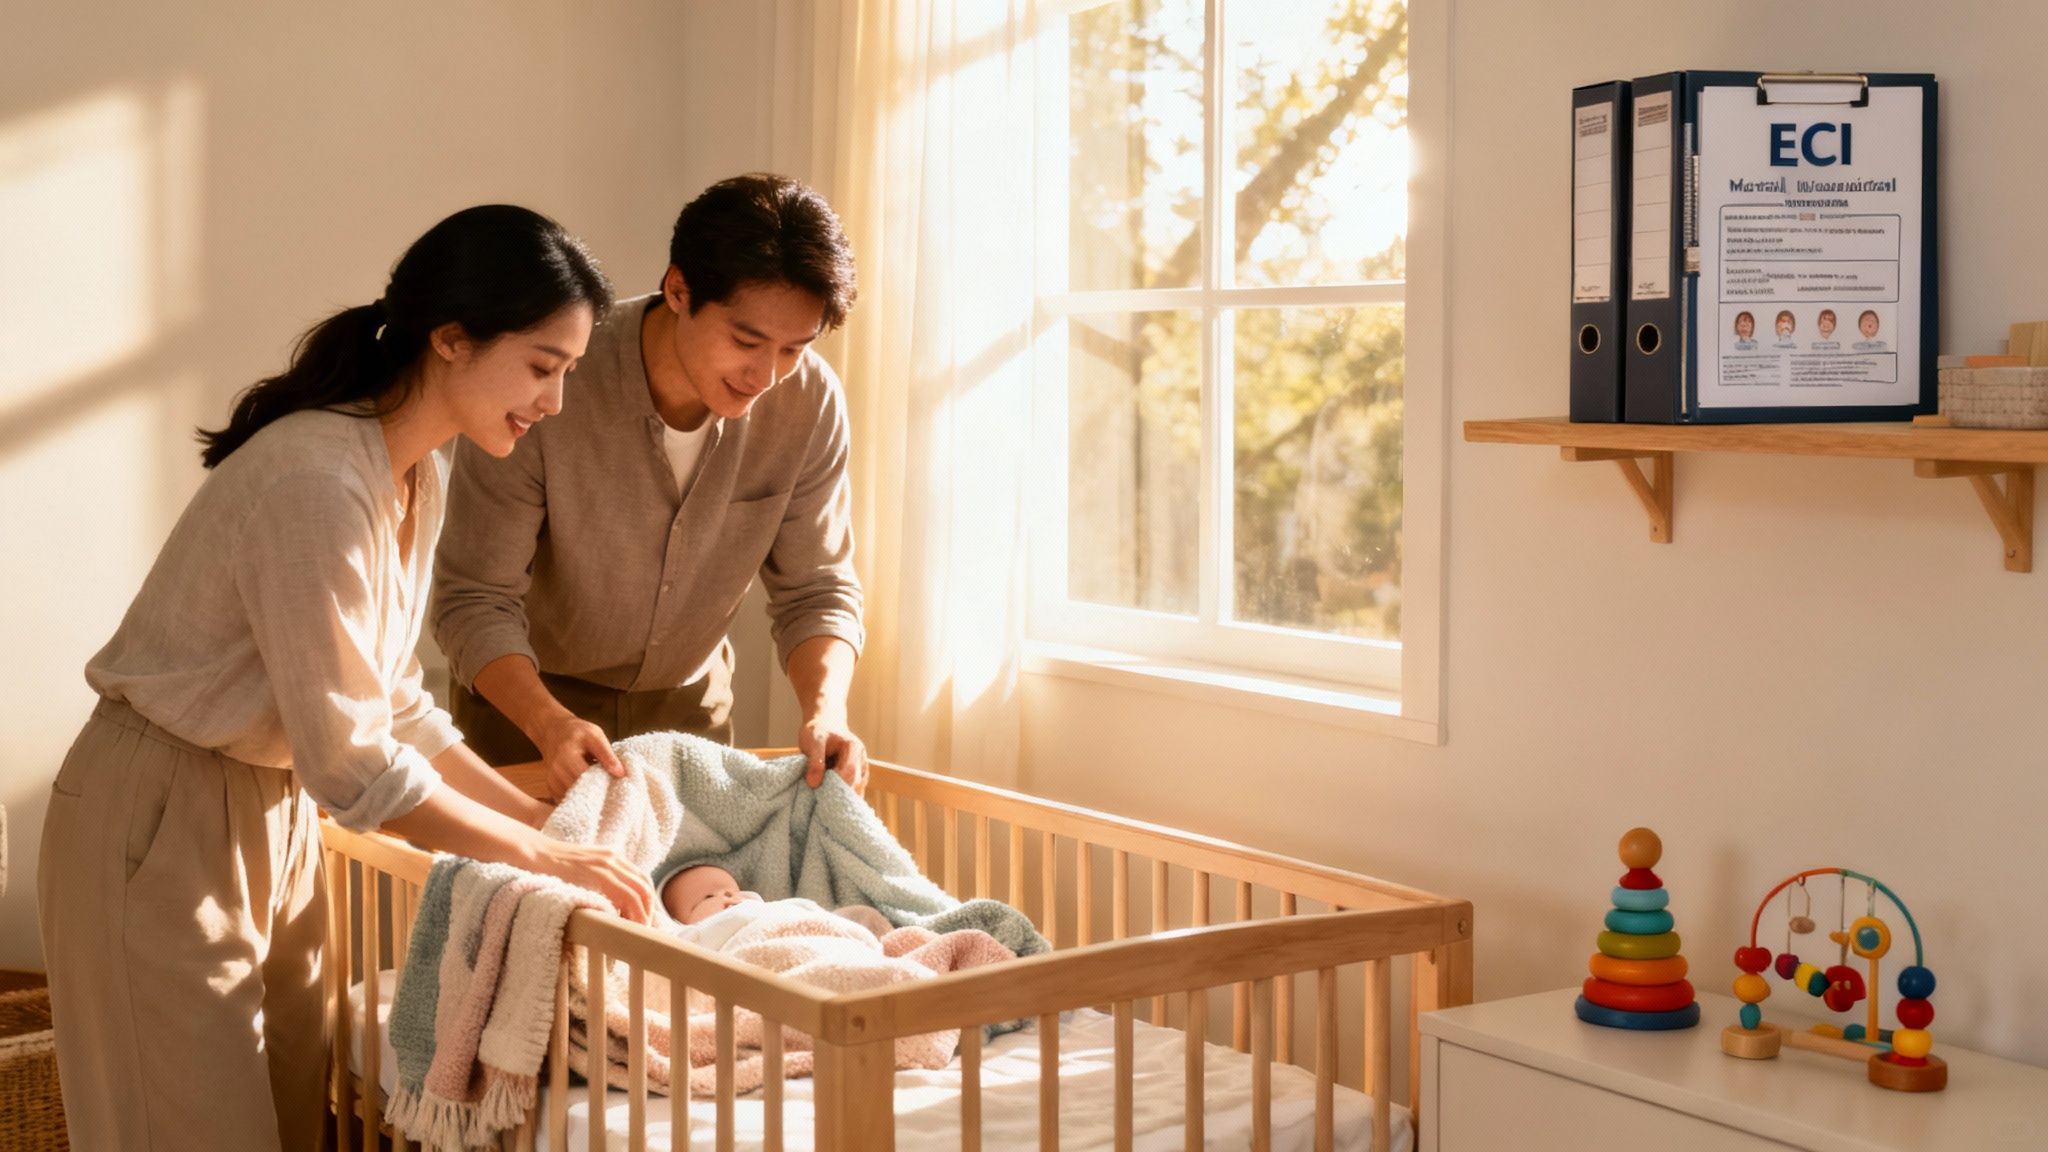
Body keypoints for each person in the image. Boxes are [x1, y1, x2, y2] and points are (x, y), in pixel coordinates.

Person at [37, 205, 656, 1152]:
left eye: (567, 372)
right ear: (451, 339)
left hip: (275, 816)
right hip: (161, 813)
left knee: (291, 1120)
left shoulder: (415, 474)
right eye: (541, 366)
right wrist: (534, 856)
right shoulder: (316, 480)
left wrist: (530, 822)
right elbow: (355, 767)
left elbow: (393, 701)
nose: (555, 402)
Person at [432, 174, 867, 802]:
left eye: (793, 349)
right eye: (746, 340)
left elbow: (817, 588)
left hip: (692, 712)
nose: (765, 375)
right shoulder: (553, 380)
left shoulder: (810, 402)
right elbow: (474, 597)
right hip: (526, 707)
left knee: (702, 899)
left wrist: (825, 711)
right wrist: (548, 722)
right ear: (678, 290)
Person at [663, 862, 762, 925]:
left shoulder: (762, 911)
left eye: (730, 894)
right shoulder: (690, 939)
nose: (727, 896)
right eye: (708, 897)